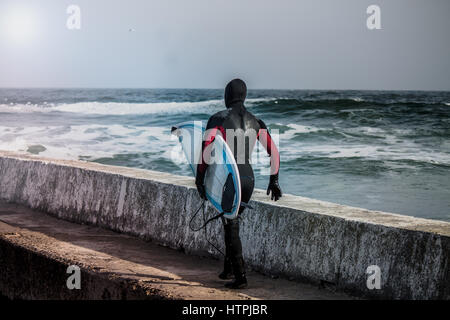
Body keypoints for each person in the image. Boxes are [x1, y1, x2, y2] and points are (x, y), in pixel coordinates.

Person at [195, 78, 282, 289]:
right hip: (249, 179)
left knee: (230, 225)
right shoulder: (257, 122)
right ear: (244, 96)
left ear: (227, 96)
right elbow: (274, 152)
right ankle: (228, 270)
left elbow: (206, 151)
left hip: (230, 178)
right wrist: (274, 180)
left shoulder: (218, 118)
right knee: (230, 221)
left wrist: (200, 180)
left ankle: (241, 277)